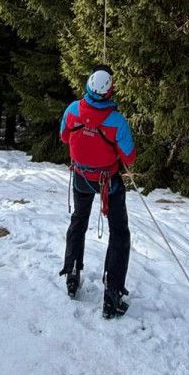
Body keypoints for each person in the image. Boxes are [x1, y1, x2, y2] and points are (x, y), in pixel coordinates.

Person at [60, 65, 136, 318]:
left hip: (82, 177)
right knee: (119, 233)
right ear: (109, 91)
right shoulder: (116, 121)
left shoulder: (72, 110)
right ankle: (112, 293)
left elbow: (64, 137)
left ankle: (72, 273)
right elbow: (129, 156)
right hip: (108, 181)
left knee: (79, 220)